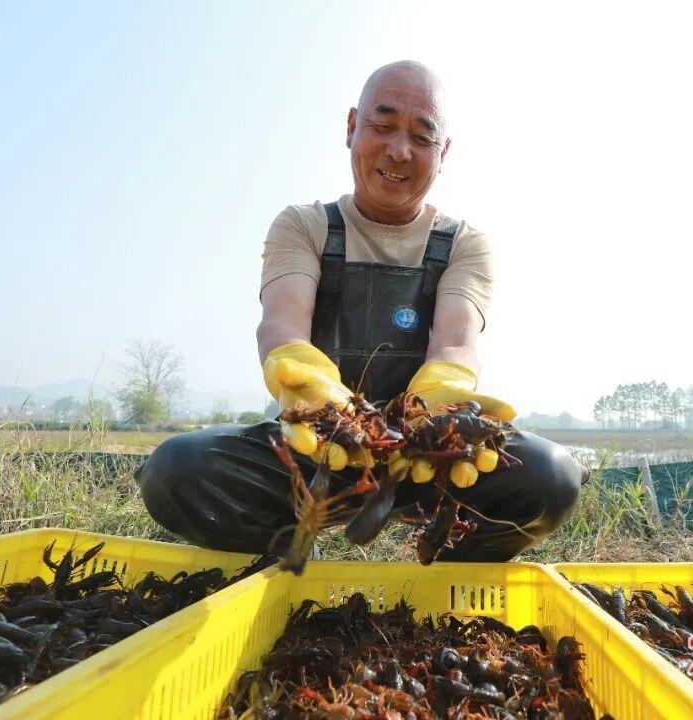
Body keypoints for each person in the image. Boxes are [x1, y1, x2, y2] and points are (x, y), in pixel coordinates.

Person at [137, 61, 584, 561]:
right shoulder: (304, 226)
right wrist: (315, 392)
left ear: (444, 153)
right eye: (383, 124)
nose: (399, 150)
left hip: (427, 457)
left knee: (551, 475)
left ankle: (450, 570)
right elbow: (282, 322)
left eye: (421, 136)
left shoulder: (464, 244)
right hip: (319, 448)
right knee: (174, 470)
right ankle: (281, 564)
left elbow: (457, 340)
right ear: (352, 127)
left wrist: (442, 398)